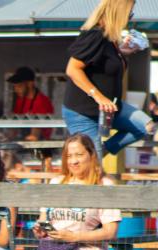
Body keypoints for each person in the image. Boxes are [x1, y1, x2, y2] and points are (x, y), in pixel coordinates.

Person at [63, 0, 153, 158]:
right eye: (129, 13)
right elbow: (72, 69)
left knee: (146, 126)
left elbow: (105, 64)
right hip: (84, 112)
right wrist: (99, 98)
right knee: (92, 172)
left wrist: (122, 52)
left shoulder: (110, 38)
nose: (130, 18)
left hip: (111, 108)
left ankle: (100, 152)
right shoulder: (95, 34)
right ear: (118, 12)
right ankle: (94, 159)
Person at [7, 66, 55, 141]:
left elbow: (35, 133)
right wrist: (7, 138)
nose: (16, 90)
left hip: (41, 144)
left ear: (30, 84)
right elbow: (14, 124)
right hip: (24, 140)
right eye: (14, 87)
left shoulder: (41, 102)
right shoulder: (20, 100)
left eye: (19, 86)